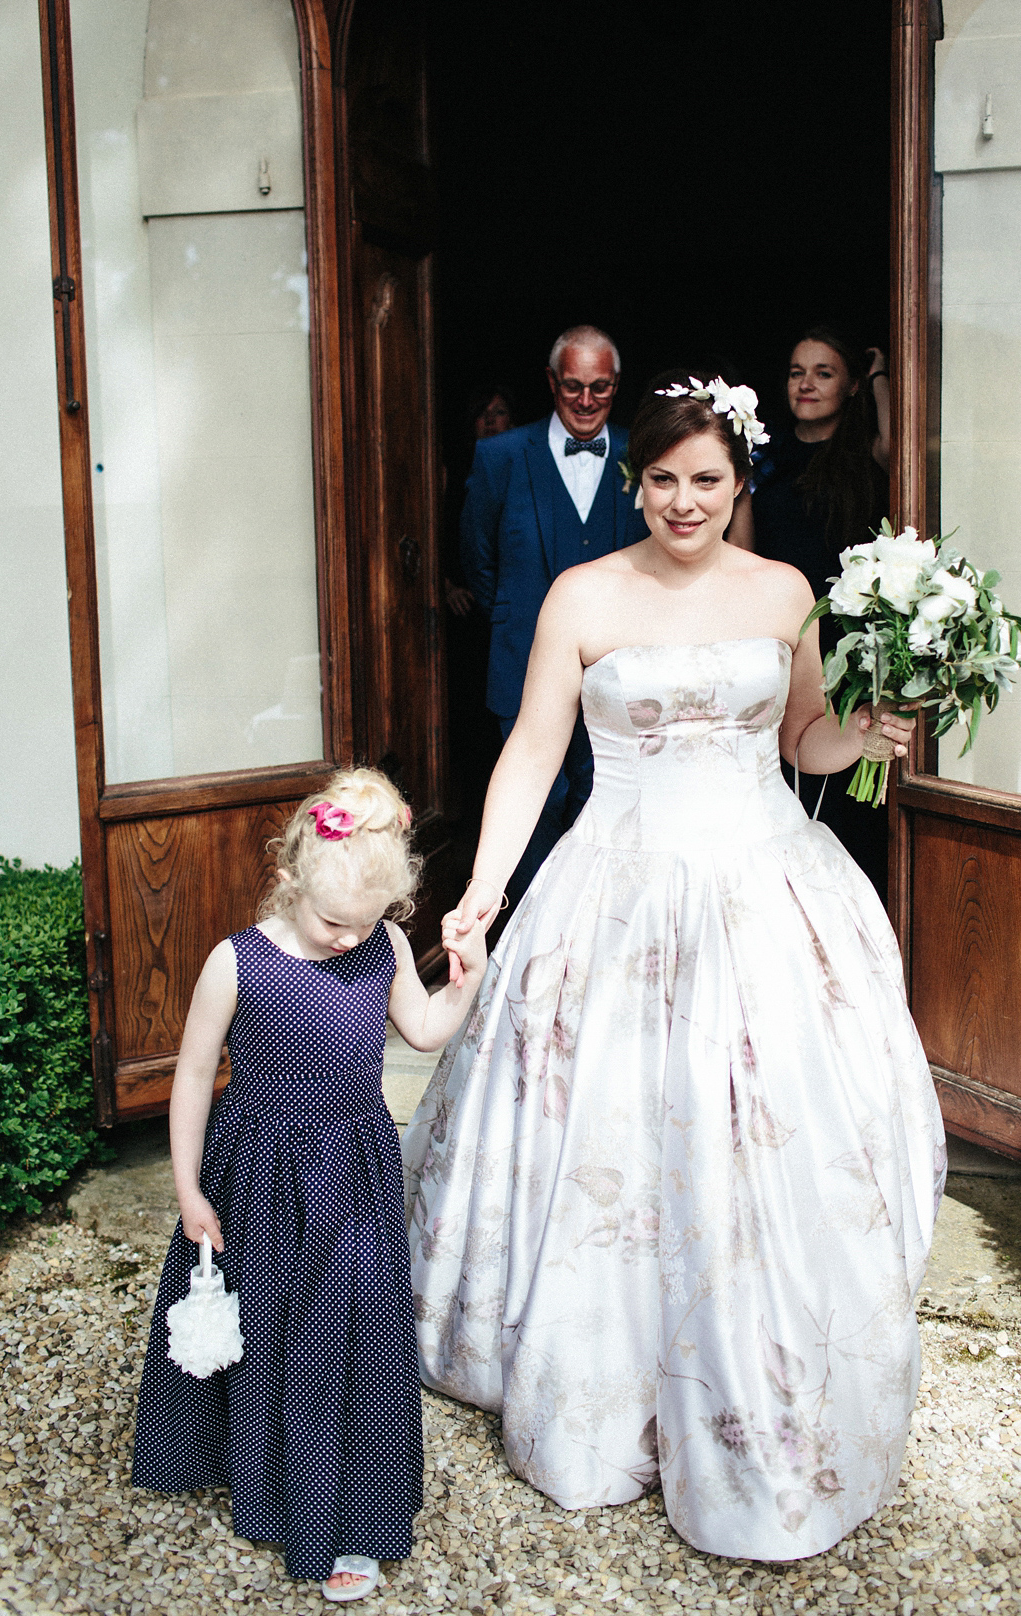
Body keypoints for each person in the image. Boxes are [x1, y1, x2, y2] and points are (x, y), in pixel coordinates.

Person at [404, 379, 946, 1564]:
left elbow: (806, 738)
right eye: (661, 480)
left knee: (755, 1126)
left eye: (706, 480)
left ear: (739, 482)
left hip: (763, 880)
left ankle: (764, 1374)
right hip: (617, 885)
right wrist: (485, 890)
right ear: (636, 482)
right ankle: (601, 1378)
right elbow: (535, 750)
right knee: (609, 1132)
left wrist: (874, 726)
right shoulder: (582, 595)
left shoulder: (785, 592)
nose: (683, 501)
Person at [131, 769, 487, 1602]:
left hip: (353, 1179)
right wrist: (188, 1190)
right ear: (289, 878)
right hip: (255, 1178)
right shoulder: (236, 963)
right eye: (333, 921)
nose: (345, 941)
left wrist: (462, 984)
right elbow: (190, 1081)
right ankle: (260, 1477)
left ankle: (346, 1517)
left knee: (350, 1341)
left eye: (364, 924)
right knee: (266, 1336)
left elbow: (425, 1030)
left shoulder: (385, 946)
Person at [459, 324, 647, 904]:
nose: (587, 401)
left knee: (610, 805)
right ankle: (529, 944)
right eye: (573, 387)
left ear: (616, 385)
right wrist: (528, 632)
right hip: (522, 667)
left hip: (621, 670)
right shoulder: (500, 456)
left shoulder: (644, 455)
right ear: (550, 382)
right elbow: (478, 560)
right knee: (533, 810)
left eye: (601, 388)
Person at [733, 324, 892, 898]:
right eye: (797, 372)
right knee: (781, 774)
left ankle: (845, 902)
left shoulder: (863, 454)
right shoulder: (762, 456)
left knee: (847, 782)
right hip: (781, 629)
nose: (806, 383)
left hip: (848, 634)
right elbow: (745, 551)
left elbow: (901, 448)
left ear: (848, 386)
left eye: (824, 372)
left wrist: (879, 379)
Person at [443, 387, 517, 823]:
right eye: (483, 413)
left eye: (500, 412)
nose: (491, 421)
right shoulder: (452, 471)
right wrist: (444, 583)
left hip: (509, 609)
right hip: (466, 614)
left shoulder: (521, 468)